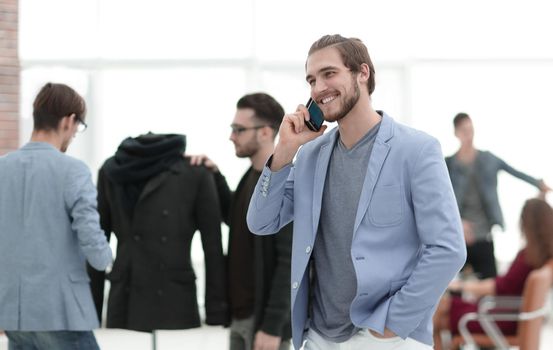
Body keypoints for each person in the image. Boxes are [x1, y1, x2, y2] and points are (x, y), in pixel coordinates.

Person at [246, 34, 466, 350]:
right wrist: (285, 150)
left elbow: (448, 248)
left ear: (362, 73)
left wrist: (392, 323)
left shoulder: (416, 150)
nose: (318, 87)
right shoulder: (309, 156)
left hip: (386, 338)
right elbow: (261, 222)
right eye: (311, 80)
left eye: (329, 73)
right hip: (319, 338)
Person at [0, 82, 113, 350]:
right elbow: (93, 245)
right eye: (78, 127)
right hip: (61, 313)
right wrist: (108, 259)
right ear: (69, 121)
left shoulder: (2, 169)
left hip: (15, 315)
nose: (74, 135)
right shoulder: (73, 171)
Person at [88, 132, 227, 332]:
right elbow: (98, 243)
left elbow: (213, 246)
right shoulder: (110, 172)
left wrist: (216, 310)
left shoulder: (195, 174)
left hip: (173, 296)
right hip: (127, 293)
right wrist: (92, 311)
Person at [190, 93, 292, 350]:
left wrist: (272, 327)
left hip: (264, 324)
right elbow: (236, 219)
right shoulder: (251, 178)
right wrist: (215, 176)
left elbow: (289, 262)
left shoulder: (281, 186)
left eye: (239, 129)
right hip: (241, 317)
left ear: (266, 132)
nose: (232, 136)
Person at [433, 198, 553, 350]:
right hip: (511, 315)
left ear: (528, 224)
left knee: (440, 311)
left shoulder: (527, 258)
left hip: (504, 318)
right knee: (441, 314)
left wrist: (460, 286)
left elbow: (498, 287)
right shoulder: (544, 259)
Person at [446, 112, 551, 279]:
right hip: (458, 236)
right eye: (464, 131)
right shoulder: (448, 165)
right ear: (456, 133)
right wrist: (458, 222)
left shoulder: (488, 159)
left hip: (484, 234)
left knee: (489, 283)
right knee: (454, 288)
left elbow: (515, 171)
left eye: (471, 130)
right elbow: (442, 199)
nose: (469, 135)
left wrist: (538, 184)